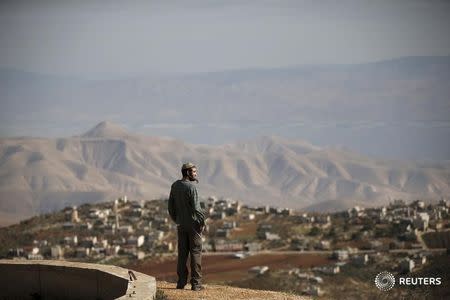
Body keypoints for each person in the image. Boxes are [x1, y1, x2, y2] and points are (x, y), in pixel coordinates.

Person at [168, 162, 206, 291]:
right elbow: (196, 208)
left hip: (181, 225)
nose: (195, 174)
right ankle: (196, 284)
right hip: (193, 225)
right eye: (194, 172)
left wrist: (177, 220)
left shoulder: (175, 186)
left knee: (182, 254)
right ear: (188, 173)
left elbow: (171, 208)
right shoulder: (191, 187)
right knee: (195, 252)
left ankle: (181, 283)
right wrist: (202, 222)